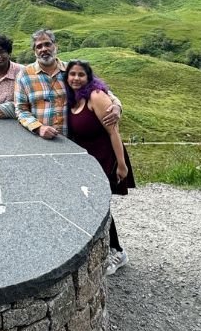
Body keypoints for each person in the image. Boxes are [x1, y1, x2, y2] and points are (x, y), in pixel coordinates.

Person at [65, 58, 135, 275]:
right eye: (72, 74)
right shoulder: (74, 99)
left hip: (105, 158)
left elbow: (114, 133)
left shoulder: (96, 96)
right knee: (91, 204)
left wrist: (121, 165)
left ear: (89, 78)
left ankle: (117, 252)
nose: (76, 79)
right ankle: (102, 247)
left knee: (100, 205)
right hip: (88, 161)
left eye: (81, 75)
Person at [14, 28, 120, 139]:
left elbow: (100, 89)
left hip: (74, 141)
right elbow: (21, 109)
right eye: (39, 46)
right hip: (40, 140)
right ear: (34, 51)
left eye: (47, 44)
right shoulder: (24, 75)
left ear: (55, 46)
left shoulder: (72, 71)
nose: (44, 49)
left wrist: (117, 105)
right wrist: (39, 128)